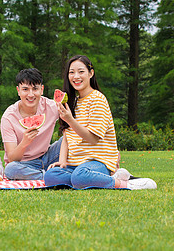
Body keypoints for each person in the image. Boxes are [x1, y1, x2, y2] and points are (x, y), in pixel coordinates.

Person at [44, 55, 157, 189]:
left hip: (98, 161)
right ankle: (92, 180)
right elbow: (67, 136)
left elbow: (93, 139)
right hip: (75, 163)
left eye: (81, 72)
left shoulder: (97, 99)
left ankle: (126, 183)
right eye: (71, 72)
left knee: (80, 176)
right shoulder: (71, 101)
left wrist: (70, 119)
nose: (76, 76)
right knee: (50, 176)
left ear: (91, 73)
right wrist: (62, 162)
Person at [0, 68, 62, 180]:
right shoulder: (9, 117)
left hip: (48, 156)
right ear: (18, 91)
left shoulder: (51, 107)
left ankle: (50, 173)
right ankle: (49, 176)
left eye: (35, 89)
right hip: (24, 164)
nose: (31, 94)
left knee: (70, 137)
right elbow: (12, 158)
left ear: (42, 89)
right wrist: (24, 143)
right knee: (10, 169)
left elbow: (74, 121)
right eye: (25, 89)